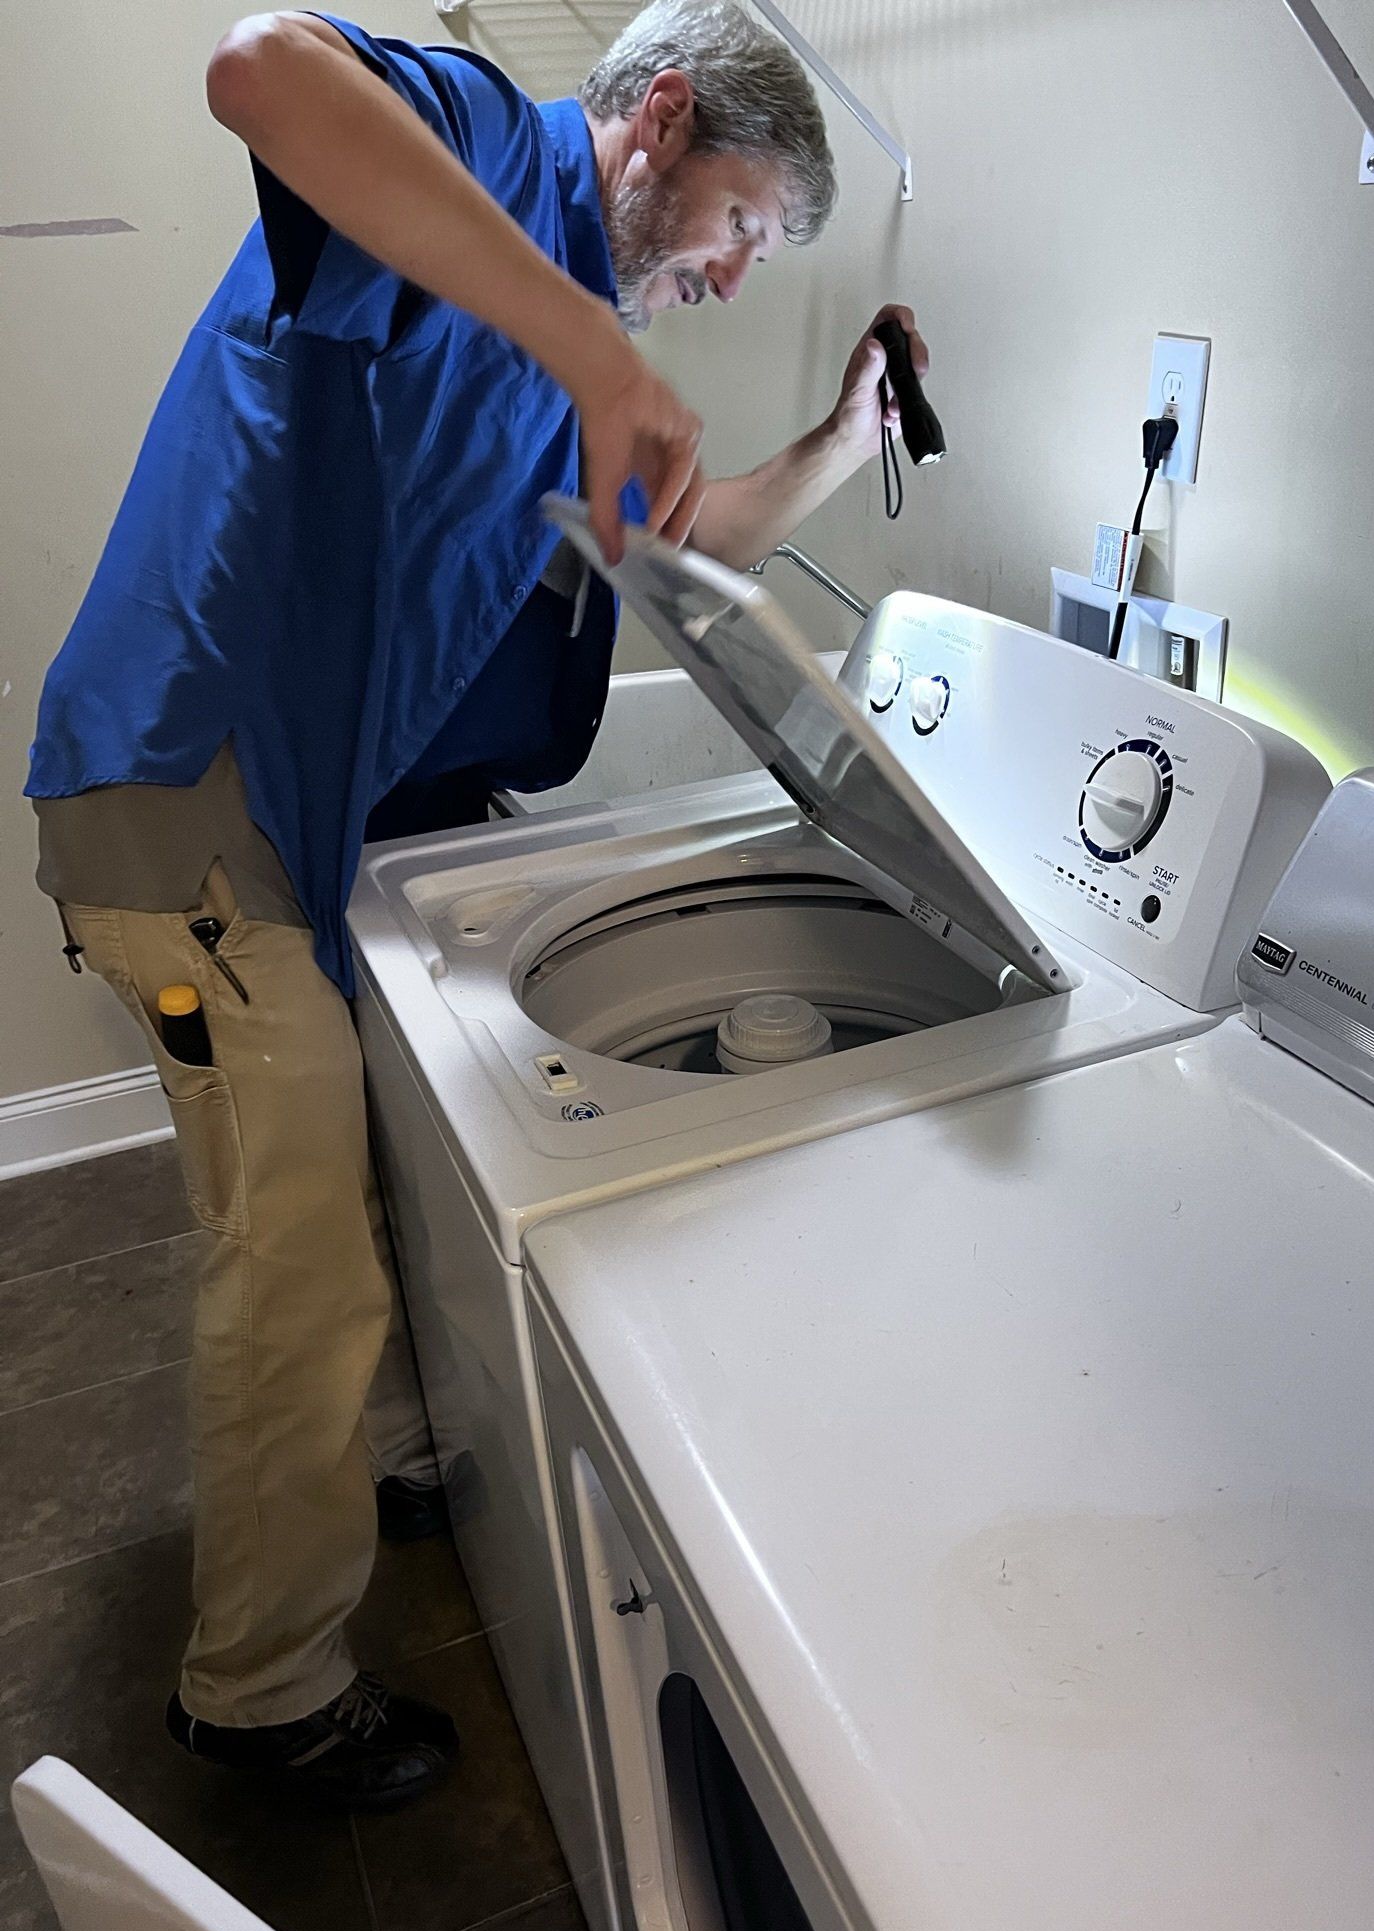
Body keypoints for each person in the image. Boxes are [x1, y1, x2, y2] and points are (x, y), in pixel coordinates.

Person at [26, 0, 930, 1812]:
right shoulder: (485, 158)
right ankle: (263, 1694)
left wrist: (840, 438)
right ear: (659, 118)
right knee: (296, 1251)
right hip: (189, 789)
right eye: (745, 225)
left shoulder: (552, 338)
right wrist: (595, 346)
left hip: (290, 815)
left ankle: (384, 1482)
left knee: (353, 1192)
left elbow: (681, 542)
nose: (744, 274)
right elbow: (260, 70)